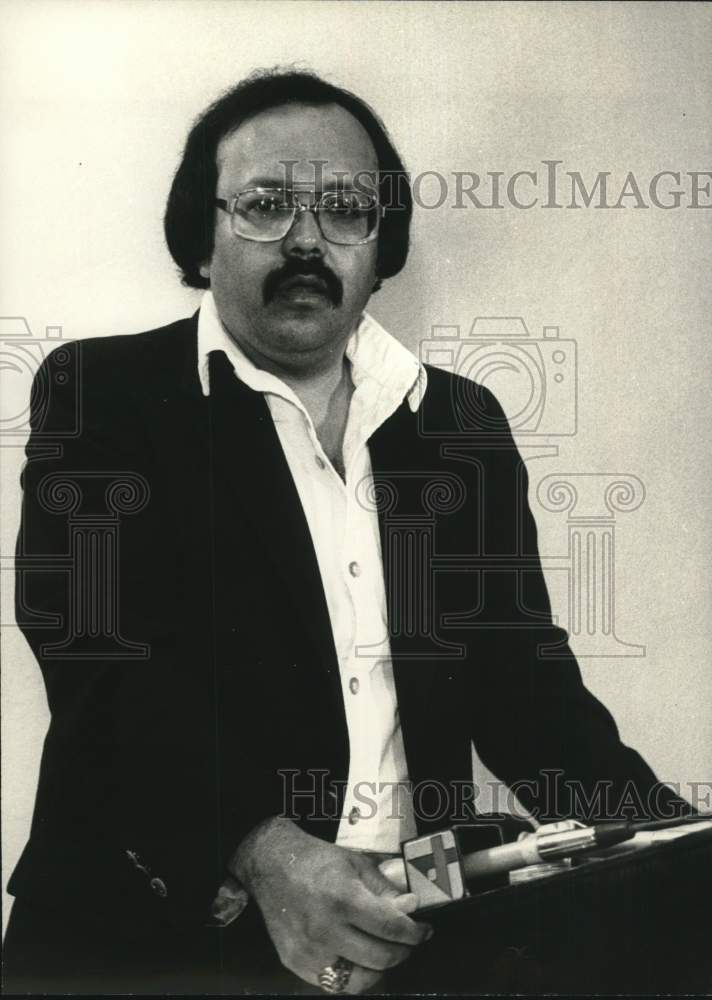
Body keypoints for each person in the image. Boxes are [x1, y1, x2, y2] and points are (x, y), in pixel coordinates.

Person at [3, 69, 692, 995]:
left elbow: (524, 686)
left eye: (343, 209)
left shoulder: (460, 424)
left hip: (417, 928)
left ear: (380, 241)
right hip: (156, 937)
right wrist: (264, 850)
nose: (305, 240)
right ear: (201, 233)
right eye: (265, 205)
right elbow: (96, 654)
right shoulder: (107, 394)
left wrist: (672, 845)